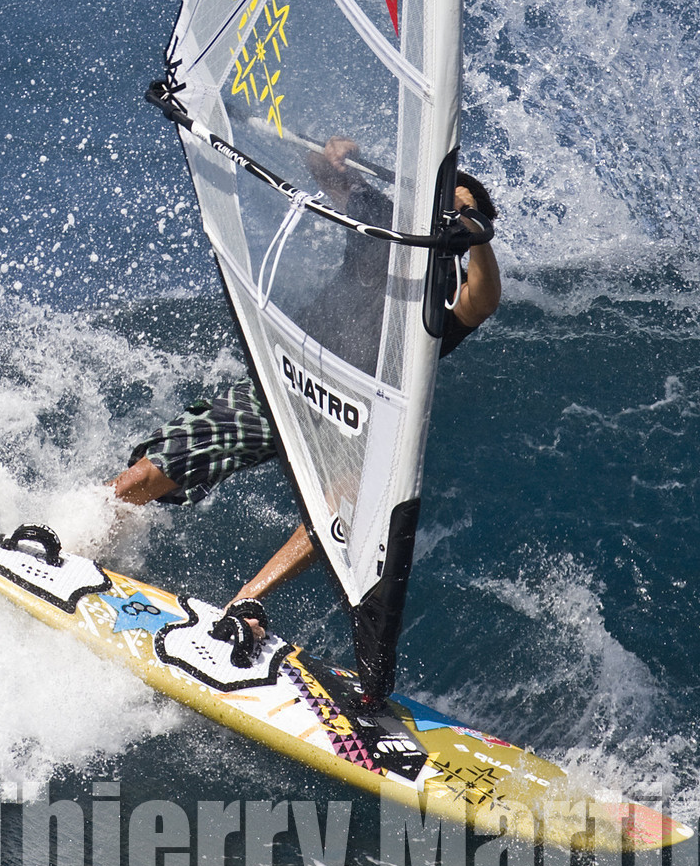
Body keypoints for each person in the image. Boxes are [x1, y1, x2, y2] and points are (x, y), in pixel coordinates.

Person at [108, 146, 500, 638]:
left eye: (455, 218)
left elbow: (483, 301)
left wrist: (474, 224)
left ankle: (243, 605)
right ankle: (79, 526)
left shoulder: (447, 295)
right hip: (286, 380)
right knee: (162, 463)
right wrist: (334, 154)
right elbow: (326, 173)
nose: (443, 218)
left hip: (350, 415)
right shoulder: (381, 222)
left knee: (345, 504)